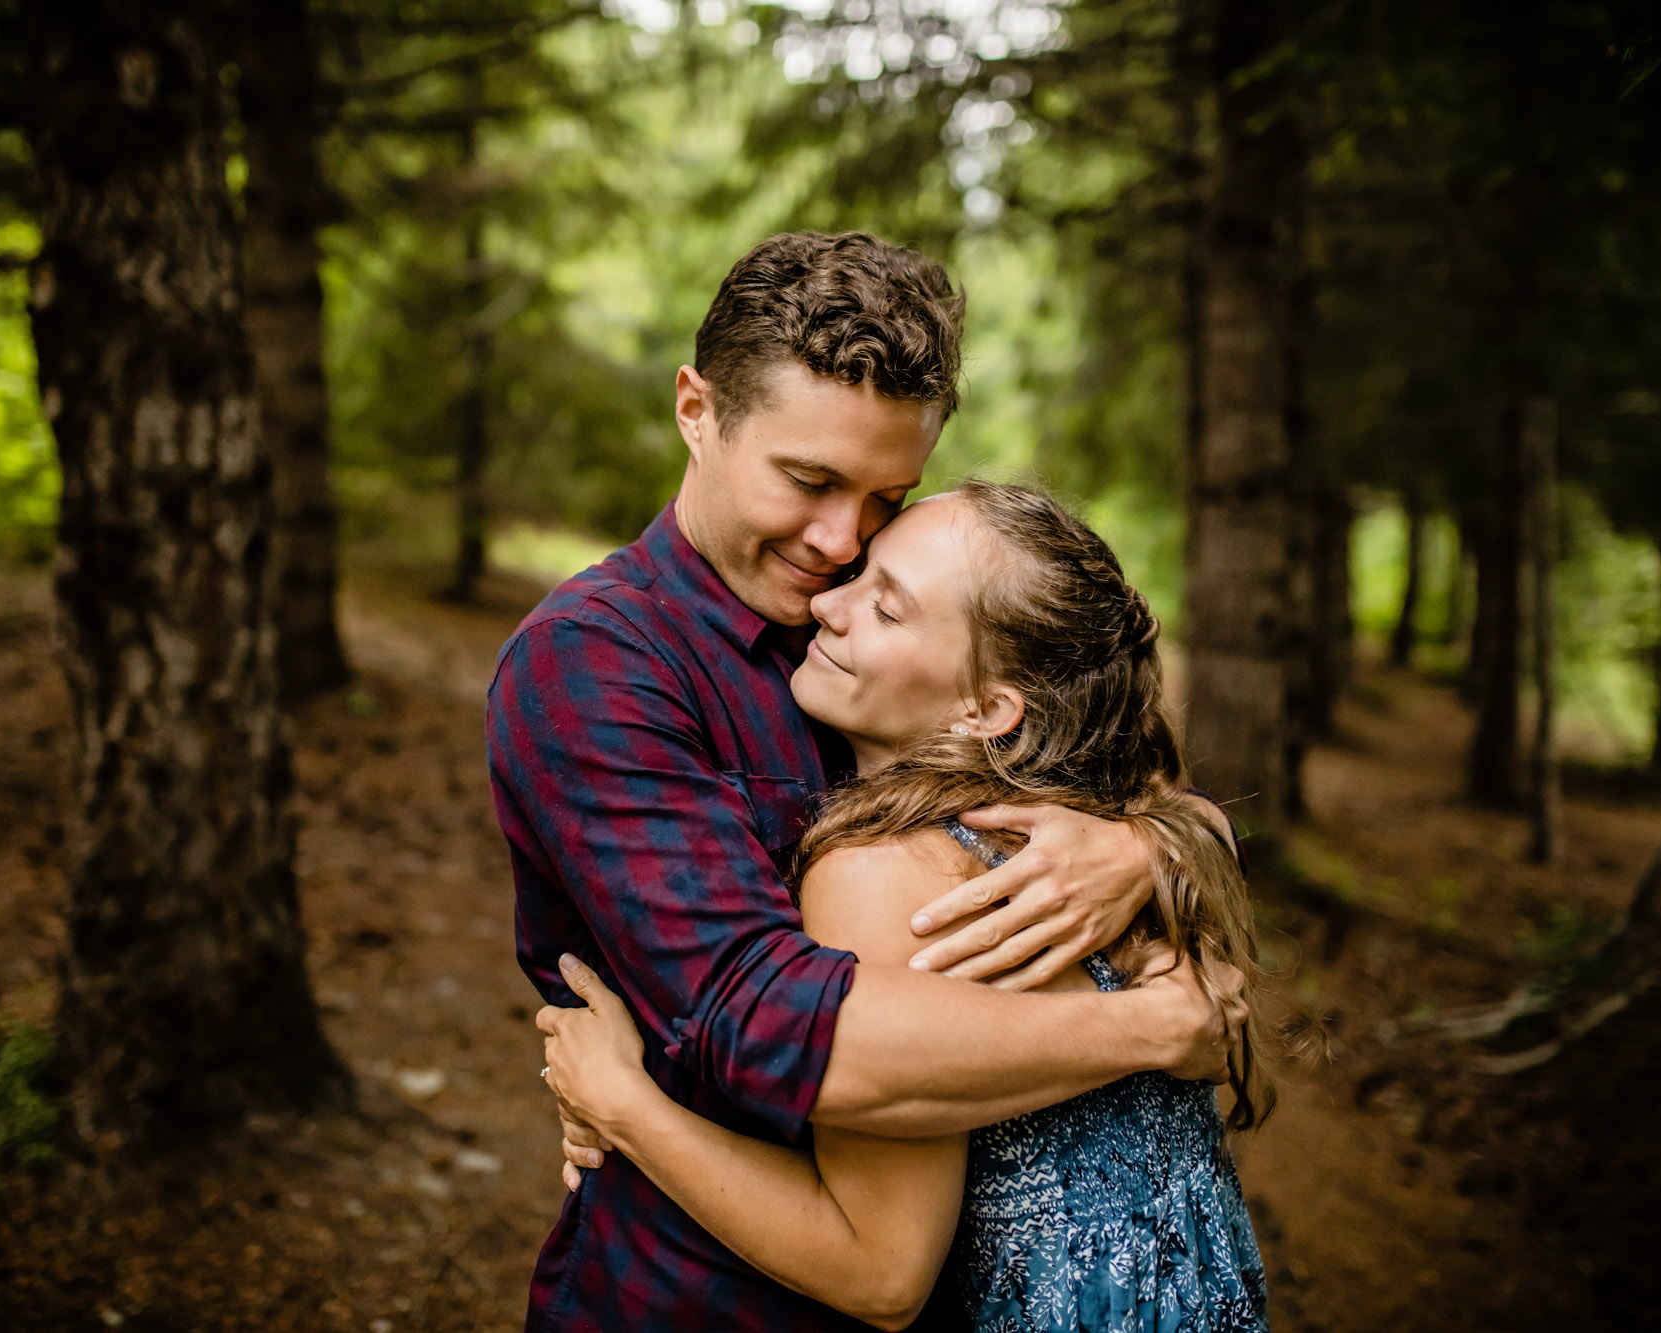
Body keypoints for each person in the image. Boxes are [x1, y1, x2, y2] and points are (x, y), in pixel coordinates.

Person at [486, 231, 1245, 1333]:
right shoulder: (597, 664)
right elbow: (766, 1023)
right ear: (696, 410)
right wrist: (1155, 1027)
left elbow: (1105, 755)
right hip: (701, 1304)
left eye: (885, 495)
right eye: (807, 480)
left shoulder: (871, 653)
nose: (840, 542)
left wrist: (1153, 844)